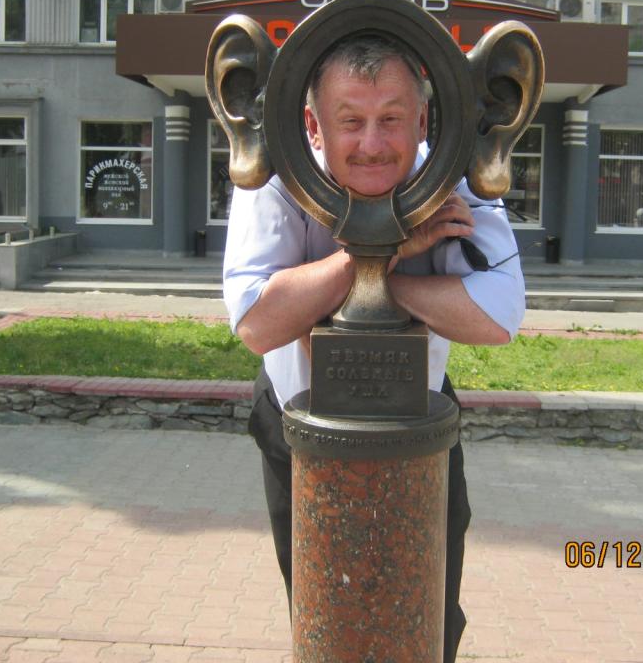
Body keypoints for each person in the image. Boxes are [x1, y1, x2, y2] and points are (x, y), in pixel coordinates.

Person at [222, 34, 525, 662]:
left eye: (391, 119)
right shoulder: (274, 175)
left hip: (417, 419)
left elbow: (498, 316)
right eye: (350, 121)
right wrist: (386, 248)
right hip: (297, 421)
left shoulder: (451, 171)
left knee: (431, 618)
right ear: (313, 125)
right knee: (322, 616)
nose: (372, 144)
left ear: (423, 120)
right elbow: (257, 322)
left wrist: (370, 279)